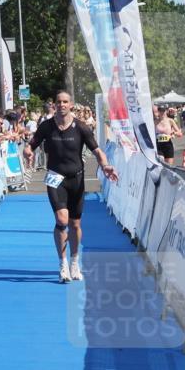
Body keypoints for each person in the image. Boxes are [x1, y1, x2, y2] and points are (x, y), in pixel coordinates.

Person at [22, 90, 118, 283]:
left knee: (75, 224)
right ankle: (62, 263)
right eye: (59, 102)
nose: (62, 105)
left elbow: (97, 150)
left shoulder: (81, 127)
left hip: (76, 179)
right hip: (55, 177)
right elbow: (30, 145)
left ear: (71, 105)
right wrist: (27, 153)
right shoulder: (46, 126)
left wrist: (106, 166)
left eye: (65, 102)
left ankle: (75, 261)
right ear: (54, 104)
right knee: (61, 219)